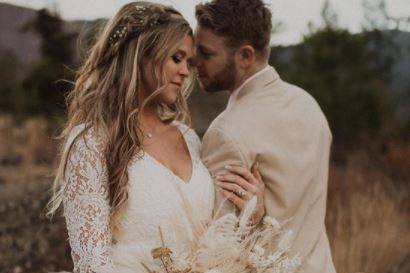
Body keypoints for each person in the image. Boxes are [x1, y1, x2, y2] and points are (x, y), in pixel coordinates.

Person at [46, 2, 265, 272]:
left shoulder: (189, 138)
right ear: (141, 56)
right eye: (177, 58)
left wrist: (251, 215)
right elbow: (93, 265)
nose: (186, 72)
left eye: (189, 62)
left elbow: (212, 240)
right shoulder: (92, 143)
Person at [195, 0, 337, 272]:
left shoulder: (226, 132)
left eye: (206, 53)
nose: (194, 61)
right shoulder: (309, 105)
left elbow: (218, 249)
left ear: (245, 56)